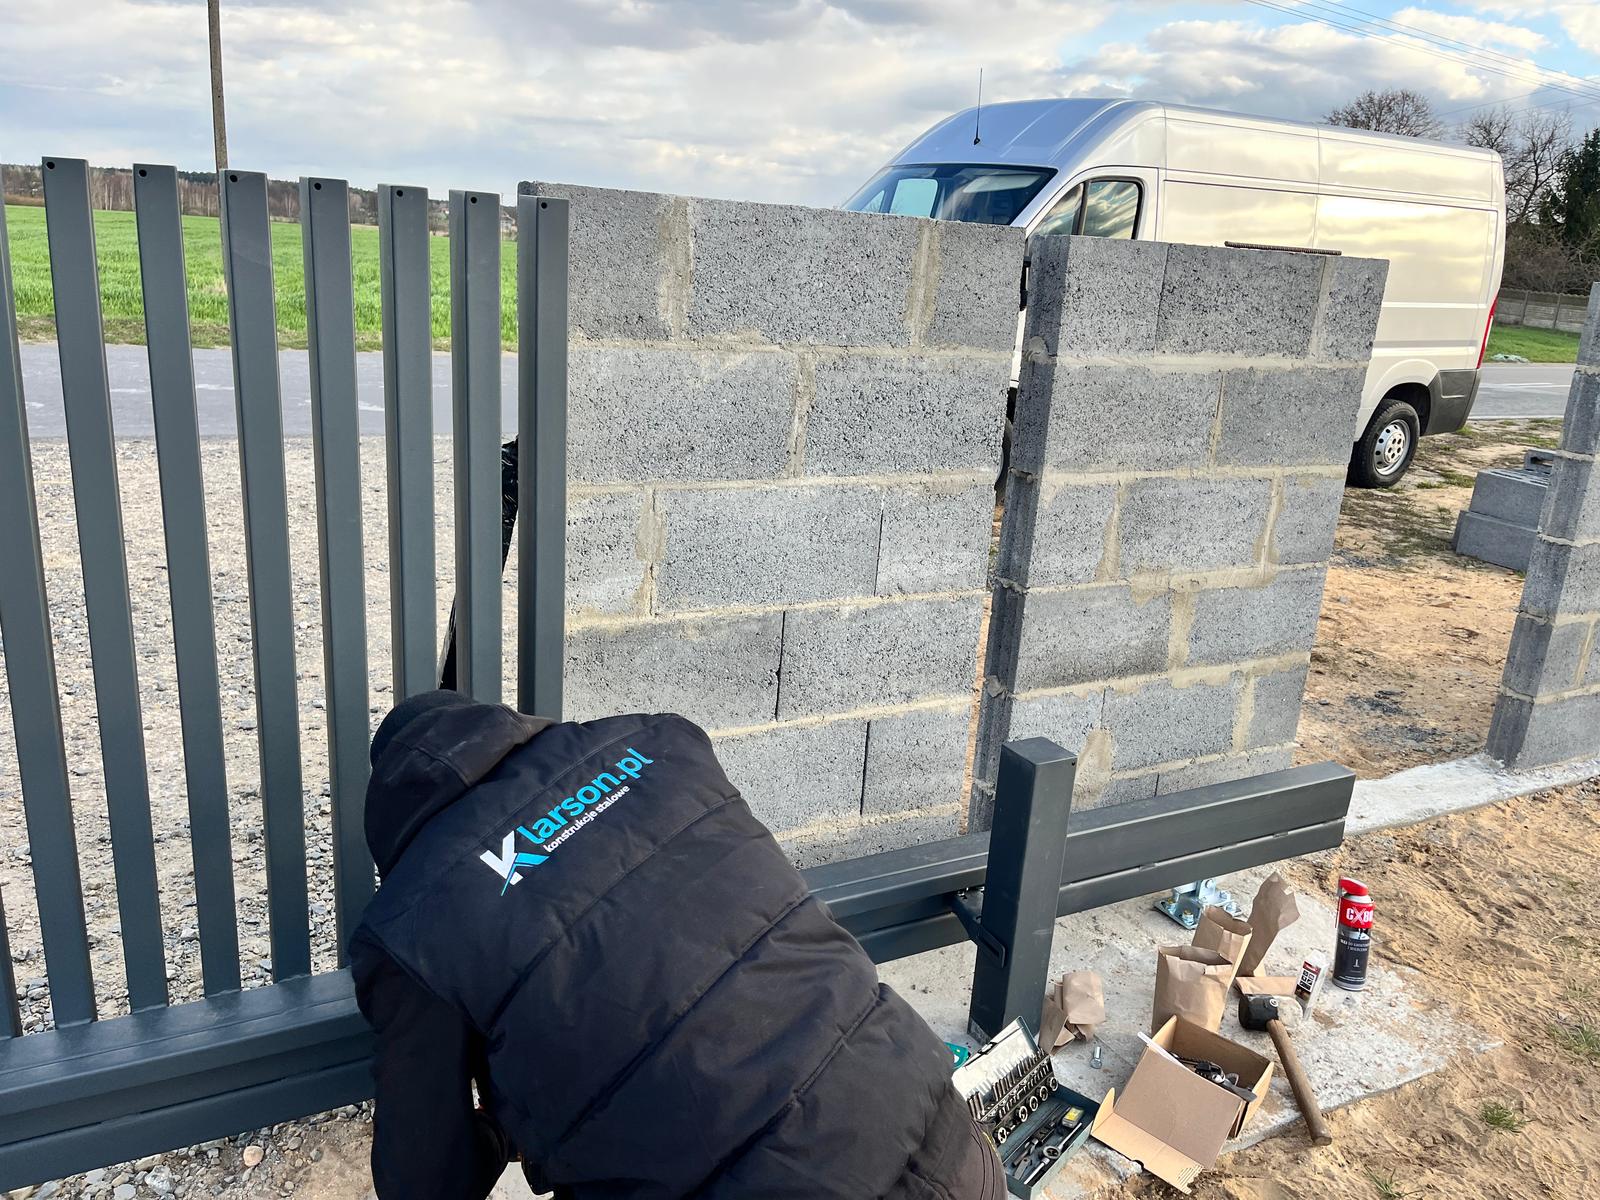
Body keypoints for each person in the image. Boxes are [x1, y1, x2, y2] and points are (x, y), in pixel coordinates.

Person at [350, 690, 1005, 1200]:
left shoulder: (411, 925)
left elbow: (424, 1181)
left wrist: (505, 1123)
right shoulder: (660, 742)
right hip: (943, 1137)